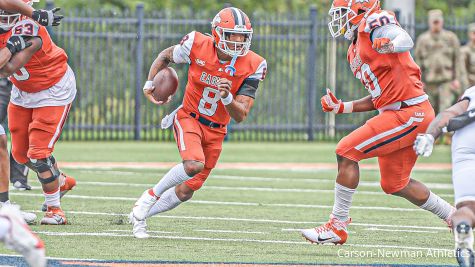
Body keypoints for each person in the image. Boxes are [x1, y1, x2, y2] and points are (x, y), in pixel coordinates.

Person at [300, 0, 455, 245]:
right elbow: (381, 96)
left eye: (342, 13)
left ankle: (337, 226)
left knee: (346, 150)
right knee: (395, 183)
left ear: (361, 9)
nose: (338, 19)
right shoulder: (353, 50)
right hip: (402, 111)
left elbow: (404, 37)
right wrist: (343, 106)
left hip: (409, 113)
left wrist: (391, 43)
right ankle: (455, 216)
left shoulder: (374, 23)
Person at [129, 7, 267, 238]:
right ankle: (149, 196)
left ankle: (139, 216)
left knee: (185, 192)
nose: (237, 41)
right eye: (231, 35)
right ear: (216, 33)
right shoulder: (196, 44)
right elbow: (165, 56)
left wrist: (228, 98)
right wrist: (149, 83)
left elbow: (240, 115)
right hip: (189, 117)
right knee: (193, 164)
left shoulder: (254, 64)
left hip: (217, 130)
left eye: (242, 36)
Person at [0, 0, 76, 225]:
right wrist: (12, 44)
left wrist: (13, 46)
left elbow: (7, 69)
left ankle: (55, 210)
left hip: (52, 89)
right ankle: (59, 181)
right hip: (23, 91)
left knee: (38, 154)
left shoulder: (31, 30)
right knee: (20, 155)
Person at [414, 86, 475, 267]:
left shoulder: (472, 91)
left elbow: (450, 114)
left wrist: (430, 136)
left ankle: (463, 233)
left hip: (466, 142)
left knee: (467, 208)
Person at [415, 9, 466, 114]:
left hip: (446, 81)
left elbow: (457, 60)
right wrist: (420, 81)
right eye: (434, 22)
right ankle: (430, 131)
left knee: (445, 110)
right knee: (430, 111)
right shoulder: (423, 40)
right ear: (429, 22)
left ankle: (443, 131)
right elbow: (417, 62)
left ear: (442, 22)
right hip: (429, 82)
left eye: (438, 22)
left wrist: (456, 79)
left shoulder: (451, 38)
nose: (436, 25)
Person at [462, 23, 475, 88]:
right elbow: (463, 71)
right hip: (471, 85)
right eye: (474, 33)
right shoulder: (465, 51)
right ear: (469, 34)